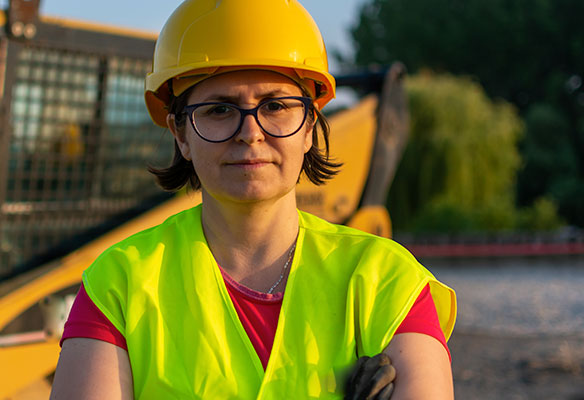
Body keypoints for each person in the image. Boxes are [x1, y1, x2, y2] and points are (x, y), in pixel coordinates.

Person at [50, 0, 456, 398]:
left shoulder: (386, 280)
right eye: (219, 109)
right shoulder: (119, 283)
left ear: (309, 125)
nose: (250, 132)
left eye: (276, 106)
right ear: (180, 133)